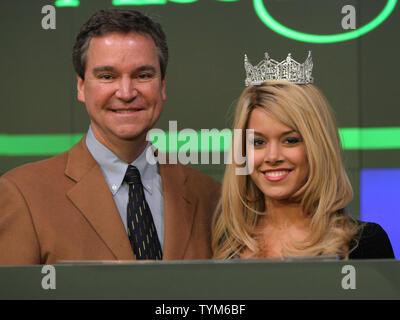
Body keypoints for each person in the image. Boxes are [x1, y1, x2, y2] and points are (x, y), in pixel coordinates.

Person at [0, 8, 220, 265]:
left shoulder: (210, 197)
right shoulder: (22, 195)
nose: (126, 92)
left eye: (143, 75)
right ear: (81, 87)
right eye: (107, 76)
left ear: (162, 86)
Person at [211, 51, 394, 260]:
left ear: (317, 146)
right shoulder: (226, 245)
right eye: (258, 142)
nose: (272, 157)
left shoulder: (363, 244)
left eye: (290, 140)